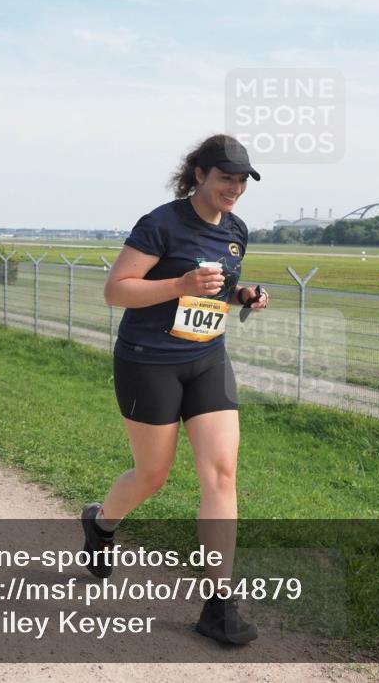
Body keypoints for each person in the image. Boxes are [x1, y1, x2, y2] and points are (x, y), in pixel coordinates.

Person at [82, 134, 269, 645]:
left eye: (242, 180)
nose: (234, 188)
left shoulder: (235, 230)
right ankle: (100, 524)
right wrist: (177, 286)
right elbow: (116, 290)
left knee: (222, 474)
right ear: (200, 174)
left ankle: (218, 604)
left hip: (207, 358)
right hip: (149, 363)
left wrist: (242, 293)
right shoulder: (160, 223)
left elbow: (219, 284)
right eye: (226, 177)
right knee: (153, 475)